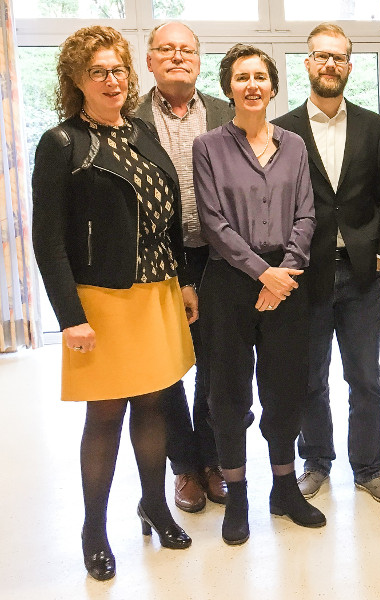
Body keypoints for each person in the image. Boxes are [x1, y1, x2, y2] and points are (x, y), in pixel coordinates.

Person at [31, 25, 195, 581]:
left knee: (155, 405)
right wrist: (69, 317)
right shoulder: (62, 143)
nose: (111, 80)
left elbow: (167, 217)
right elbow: (47, 239)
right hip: (100, 299)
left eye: (118, 69)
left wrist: (185, 281)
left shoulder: (143, 132)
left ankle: (154, 503)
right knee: (105, 414)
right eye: (98, 71)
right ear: (77, 80)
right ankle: (94, 529)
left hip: (155, 292)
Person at [193, 43, 324, 545]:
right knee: (227, 392)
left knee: (286, 387)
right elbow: (213, 222)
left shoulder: (294, 144)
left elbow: (307, 215)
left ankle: (285, 488)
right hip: (229, 281)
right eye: (242, 77)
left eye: (260, 77)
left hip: (287, 281)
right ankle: (238, 494)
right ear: (229, 88)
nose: (252, 85)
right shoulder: (208, 146)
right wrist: (260, 274)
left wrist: (285, 271)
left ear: (272, 87)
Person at [273, 24, 380, 505]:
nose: (330, 65)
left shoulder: (374, 126)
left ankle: (369, 467)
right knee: (310, 377)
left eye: (339, 57)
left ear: (350, 65)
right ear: (306, 63)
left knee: (365, 378)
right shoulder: (283, 130)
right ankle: (316, 462)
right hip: (307, 273)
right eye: (321, 56)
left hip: (361, 273)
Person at [135, 21, 234, 514]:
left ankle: (215, 460)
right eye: (166, 49)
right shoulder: (129, 120)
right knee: (166, 369)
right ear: (149, 60)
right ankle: (184, 468)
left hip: (217, 257)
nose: (178, 56)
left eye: (187, 50)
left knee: (215, 367)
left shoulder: (224, 112)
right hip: (154, 261)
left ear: (199, 60)